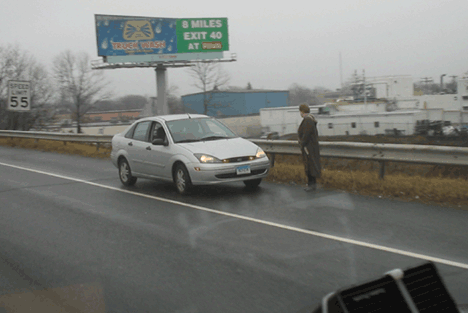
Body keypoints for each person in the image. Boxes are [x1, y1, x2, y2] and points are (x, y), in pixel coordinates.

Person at [297, 103, 321, 191]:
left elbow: (306, 134)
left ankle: (311, 184)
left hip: (308, 147)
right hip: (311, 146)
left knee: (309, 165)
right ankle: (311, 184)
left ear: (302, 111)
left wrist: (302, 143)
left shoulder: (307, 120)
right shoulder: (311, 119)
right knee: (311, 165)